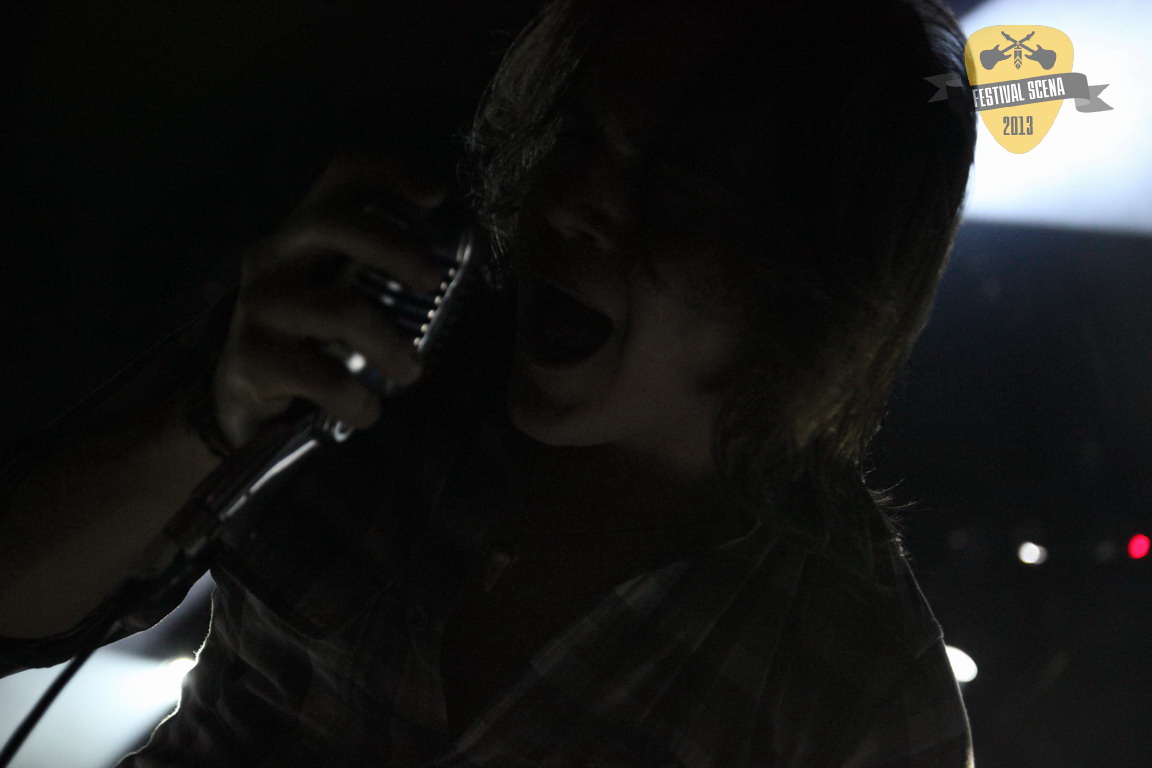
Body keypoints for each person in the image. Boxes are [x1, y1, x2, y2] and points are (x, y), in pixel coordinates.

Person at [0, 0, 977, 765]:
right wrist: (209, 422)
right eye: (580, 138)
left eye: (683, 182)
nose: (578, 203)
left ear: (812, 282)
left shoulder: (863, 685)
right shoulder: (357, 354)